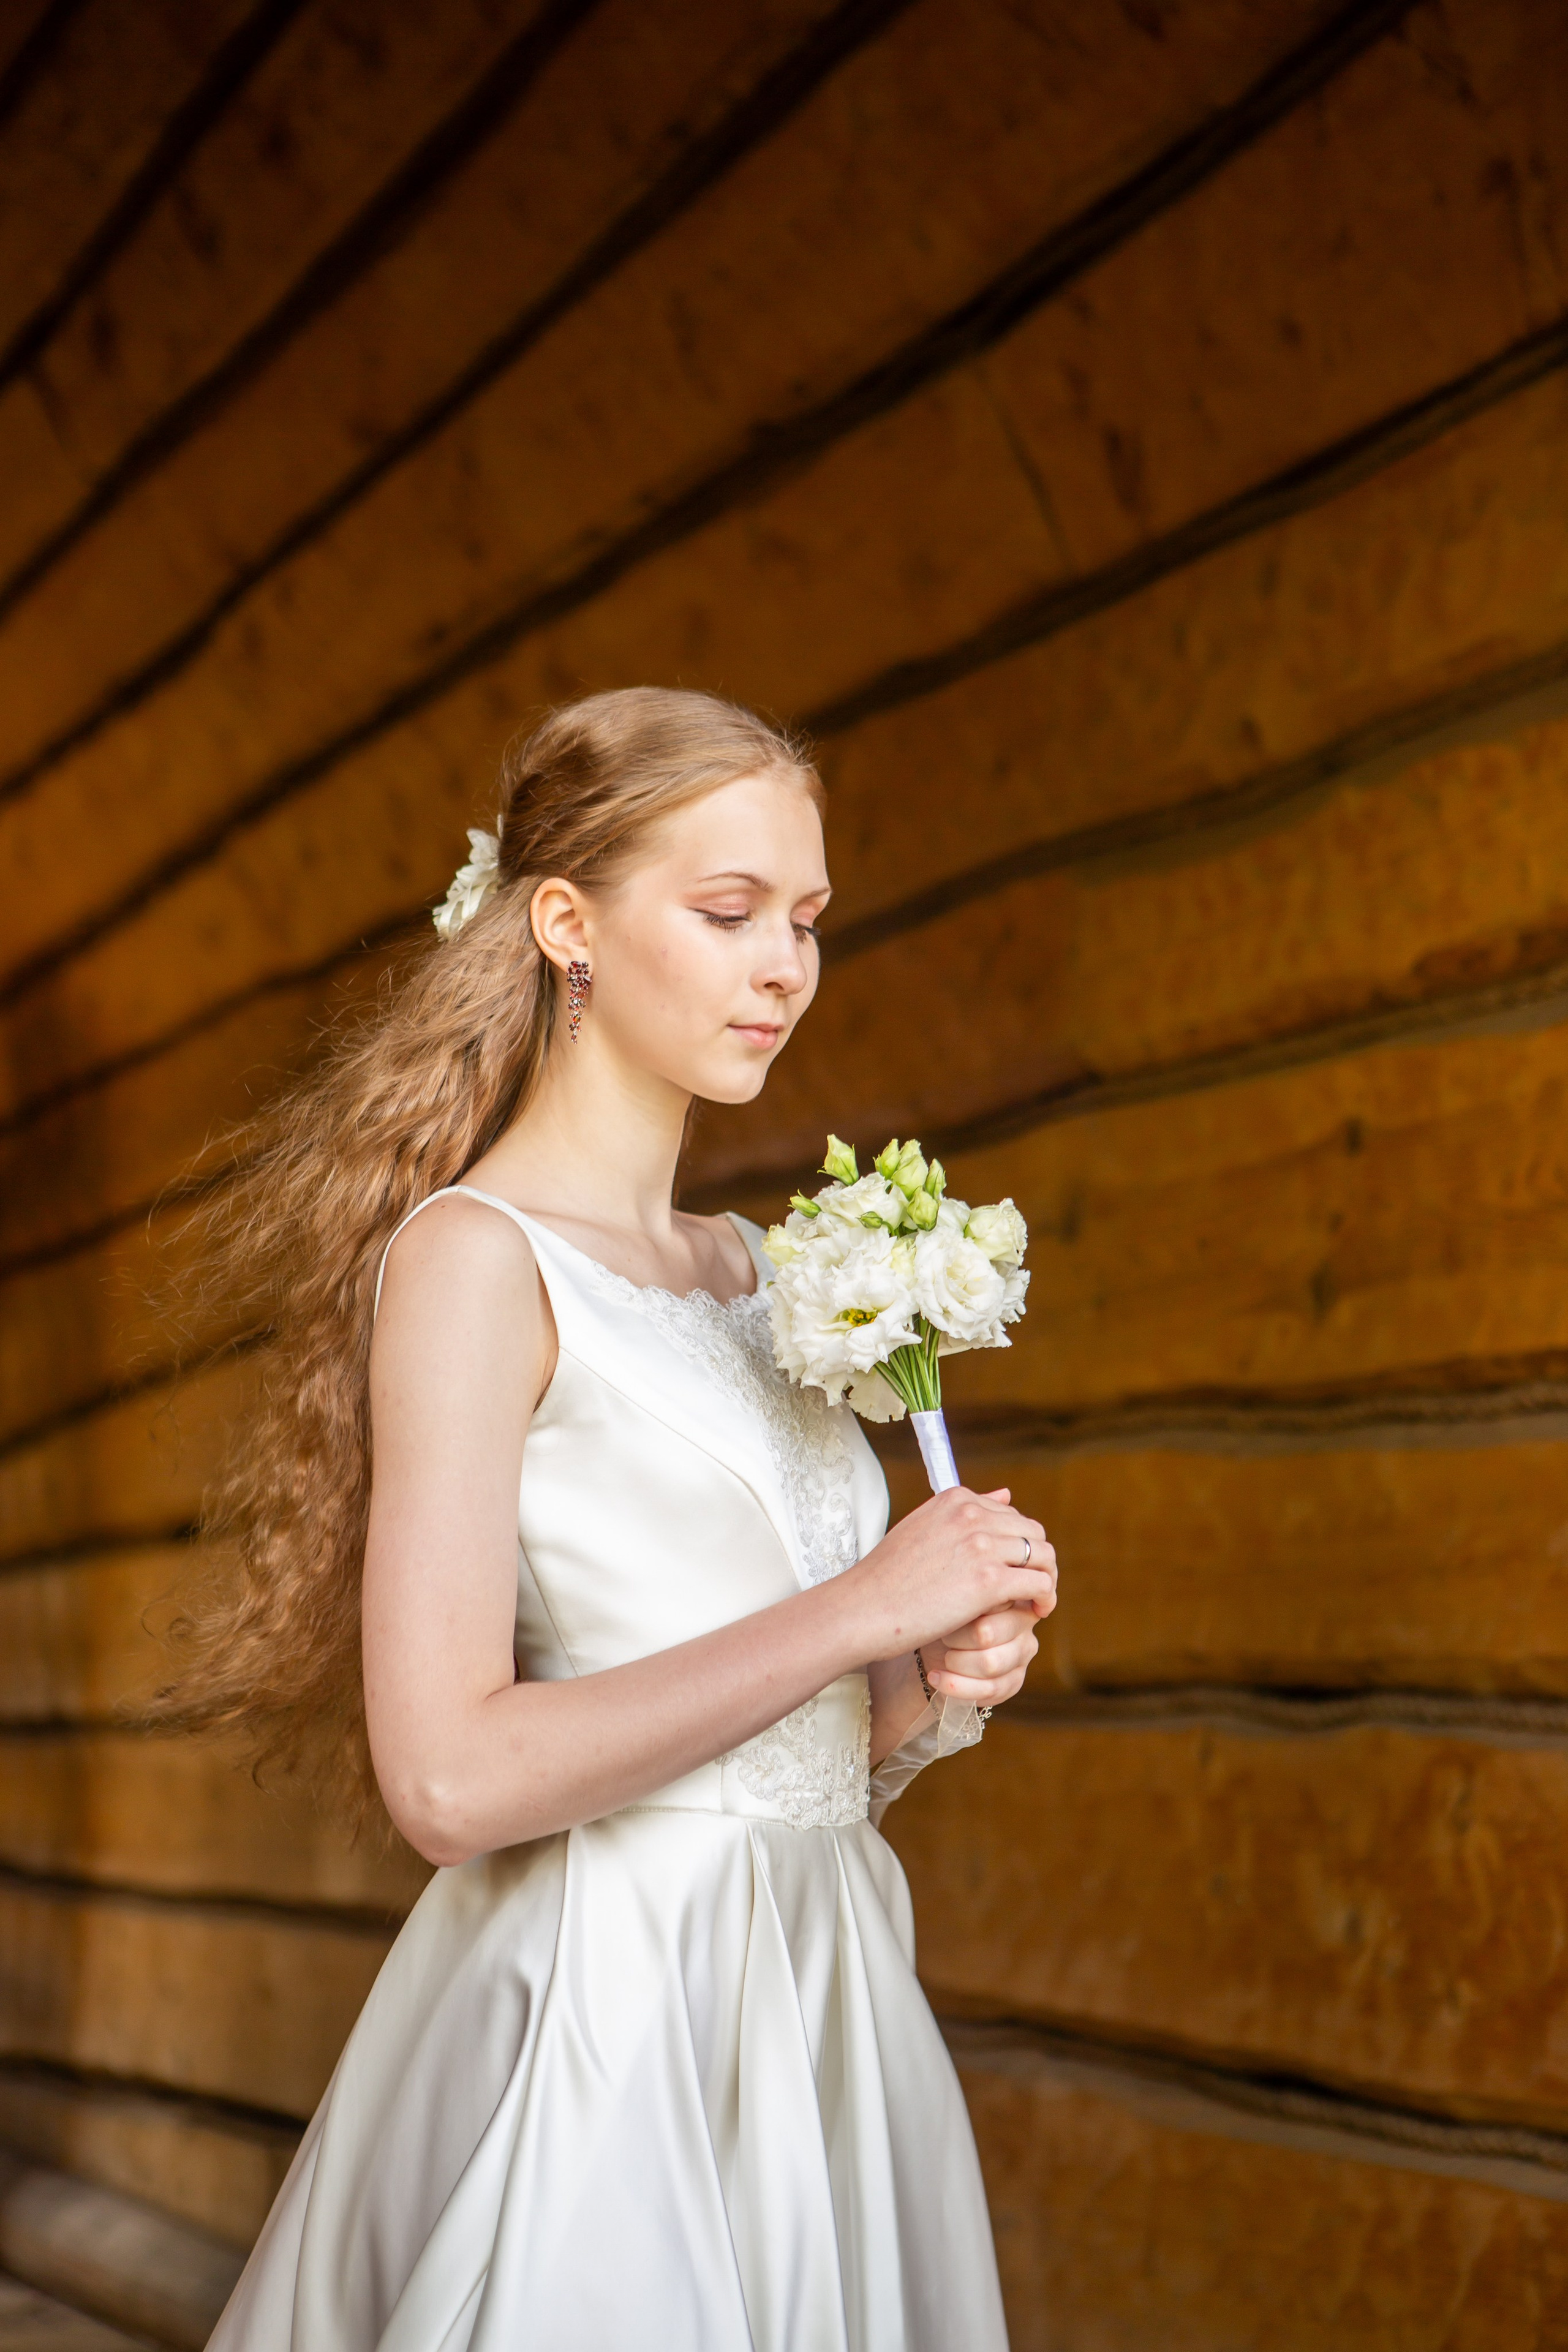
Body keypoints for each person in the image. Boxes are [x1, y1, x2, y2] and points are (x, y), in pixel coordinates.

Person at [180, 687, 1057, 2350]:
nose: (782, 965)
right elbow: (449, 1778)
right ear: (567, 925)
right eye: (726, 914)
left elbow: (768, 1749)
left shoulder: (762, 1279)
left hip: (817, 1997)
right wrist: (865, 1606)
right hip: (611, 2016)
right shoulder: (473, 1263)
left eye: (805, 920)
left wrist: (919, 1686)